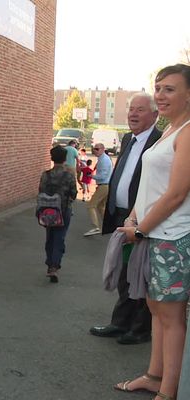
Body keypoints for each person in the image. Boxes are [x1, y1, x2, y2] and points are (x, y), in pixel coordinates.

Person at [113, 64, 190, 400]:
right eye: (158, 88)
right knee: (156, 309)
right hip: (153, 235)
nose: (160, 95)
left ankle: (167, 392)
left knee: (171, 317)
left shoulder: (188, 131)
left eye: (170, 89)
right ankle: (153, 376)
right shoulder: (170, 130)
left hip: (172, 237)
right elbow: (150, 187)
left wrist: (140, 230)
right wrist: (133, 217)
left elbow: (177, 193)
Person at [90, 92, 161, 345]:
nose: (133, 113)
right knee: (124, 273)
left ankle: (140, 330)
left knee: (140, 274)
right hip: (123, 216)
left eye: (140, 109)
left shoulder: (160, 140)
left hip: (145, 219)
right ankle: (120, 323)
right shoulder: (128, 139)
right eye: (131, 108)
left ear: (155, 114)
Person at [39, 145, 77, 283]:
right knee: (60, 237)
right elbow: (74, 193)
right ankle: (55, 266)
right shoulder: (69, 176)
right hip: (64, 210)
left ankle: (50, 264)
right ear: (65, 158)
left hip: (47, 210)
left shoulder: (45, 175)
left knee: (50, 236)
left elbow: (40, 191)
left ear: (52, 158)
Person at [83, 143, 112, 236]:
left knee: (91, 205)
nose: (95, 151)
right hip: (105, 185)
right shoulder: (103, 158)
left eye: (97, 149)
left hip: (103, 185)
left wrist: (92, 176)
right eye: (94, 149)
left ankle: (96, 227)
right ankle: (107, 225)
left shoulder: (104, 160)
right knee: (100, 206)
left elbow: (103, 175)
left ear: (103, 149)